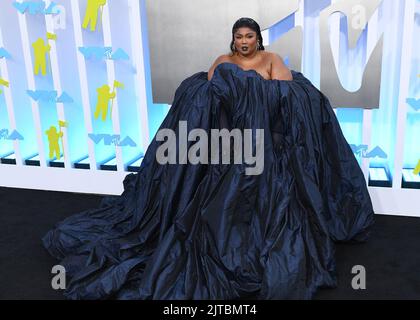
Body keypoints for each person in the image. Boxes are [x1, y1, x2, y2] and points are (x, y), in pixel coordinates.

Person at [42, 17, 374, 300]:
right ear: (233, 39)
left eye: (250, 36)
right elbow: (213, 91)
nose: (244, 41)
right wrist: (244, 87)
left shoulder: (273, 59)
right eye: (239, 36)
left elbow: (285, 95)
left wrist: (248, 89)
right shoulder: (222, 59)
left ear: (259, 39)